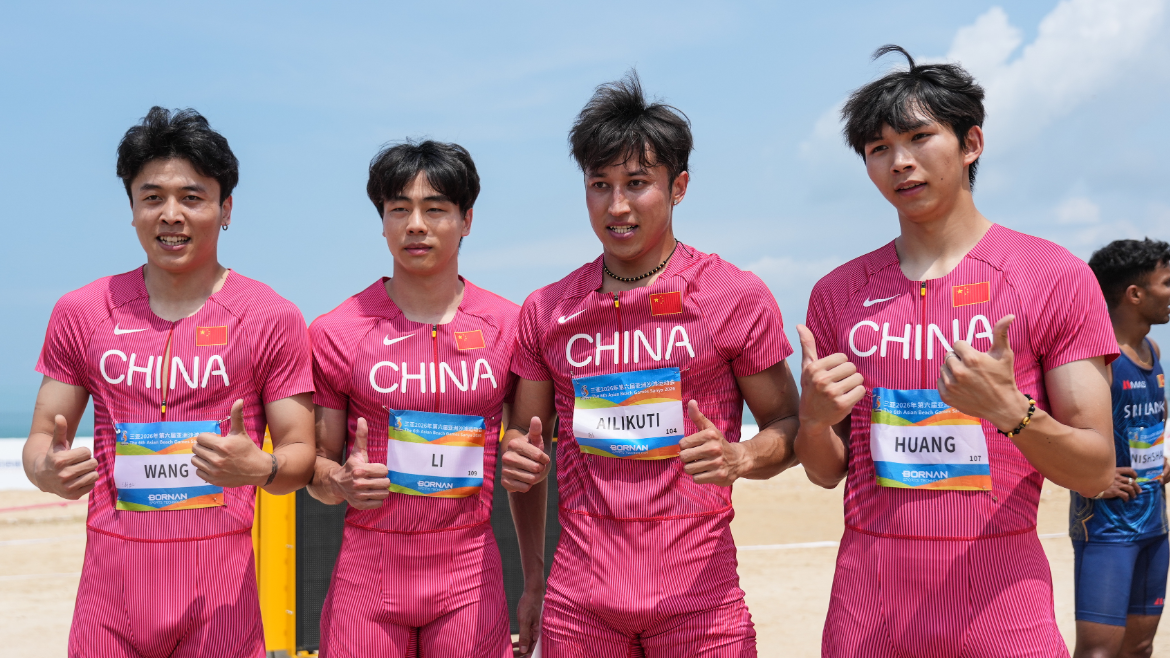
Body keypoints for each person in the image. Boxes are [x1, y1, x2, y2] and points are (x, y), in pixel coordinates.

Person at [795, 46, 1118, 657]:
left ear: (972, 143)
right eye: (879, 148)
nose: (900, 162)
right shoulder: (837, 294)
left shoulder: (1053, 277)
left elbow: (1097, 471)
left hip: (1001, 609)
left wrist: (1010, 412)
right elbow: (825, 471)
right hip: (869, 613)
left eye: (920, 137)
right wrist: (813, 422)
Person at [500, 71, 801, 657]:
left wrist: (741, 456)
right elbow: (525, 446)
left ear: (678, 186)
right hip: (580, 606)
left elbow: (788, 426)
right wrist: (519, 467)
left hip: (700, 603)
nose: (617, 206)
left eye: (637, 183)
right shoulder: (547, 310)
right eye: (600, 184)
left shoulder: (732, 296)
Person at [22, 107, 316, 658]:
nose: (171, 215)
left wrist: (262, 467)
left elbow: (301, 455)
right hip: (110, 599)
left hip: (221, 600)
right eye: (152, 197)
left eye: (192, 198)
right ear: (132, 208)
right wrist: (46, 470)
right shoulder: (83, 311)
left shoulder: (270, 316)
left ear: (225, 209)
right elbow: (41, 439)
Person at [306, 141, 518, 657]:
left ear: (467, 220)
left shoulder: (509, 326)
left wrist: (523, 456)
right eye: (399, 209)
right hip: (367, 580)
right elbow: (316, 467)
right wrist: (340, 481)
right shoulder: (337, 331)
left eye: (435, 209)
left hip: (469, 580)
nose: (416, 225)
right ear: (382, 222)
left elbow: (523, 441)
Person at [1071, 238, 1170, 658]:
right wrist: (1093, 476)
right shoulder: (1096, 359)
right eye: (1167, 282)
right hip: (1107, 531)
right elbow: (1057, 432)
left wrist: (1162, 457)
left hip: (1154, 525)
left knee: (1141, 648)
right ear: (1135, 294)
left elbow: (1148, 422)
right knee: (1098, 653)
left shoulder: (1153, 350)